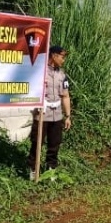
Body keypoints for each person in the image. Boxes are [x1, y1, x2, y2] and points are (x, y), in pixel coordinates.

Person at [29, 45, 72, 177]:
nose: (63, 60)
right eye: (62, 57)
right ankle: (32, 171)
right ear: (54, 56)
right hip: (42, 114)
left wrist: (68, 116)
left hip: (57, 115)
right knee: (37, 144)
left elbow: (65, 96)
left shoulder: (62, 75)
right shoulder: (40, 72)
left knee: (54, 145)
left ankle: (50, 171)